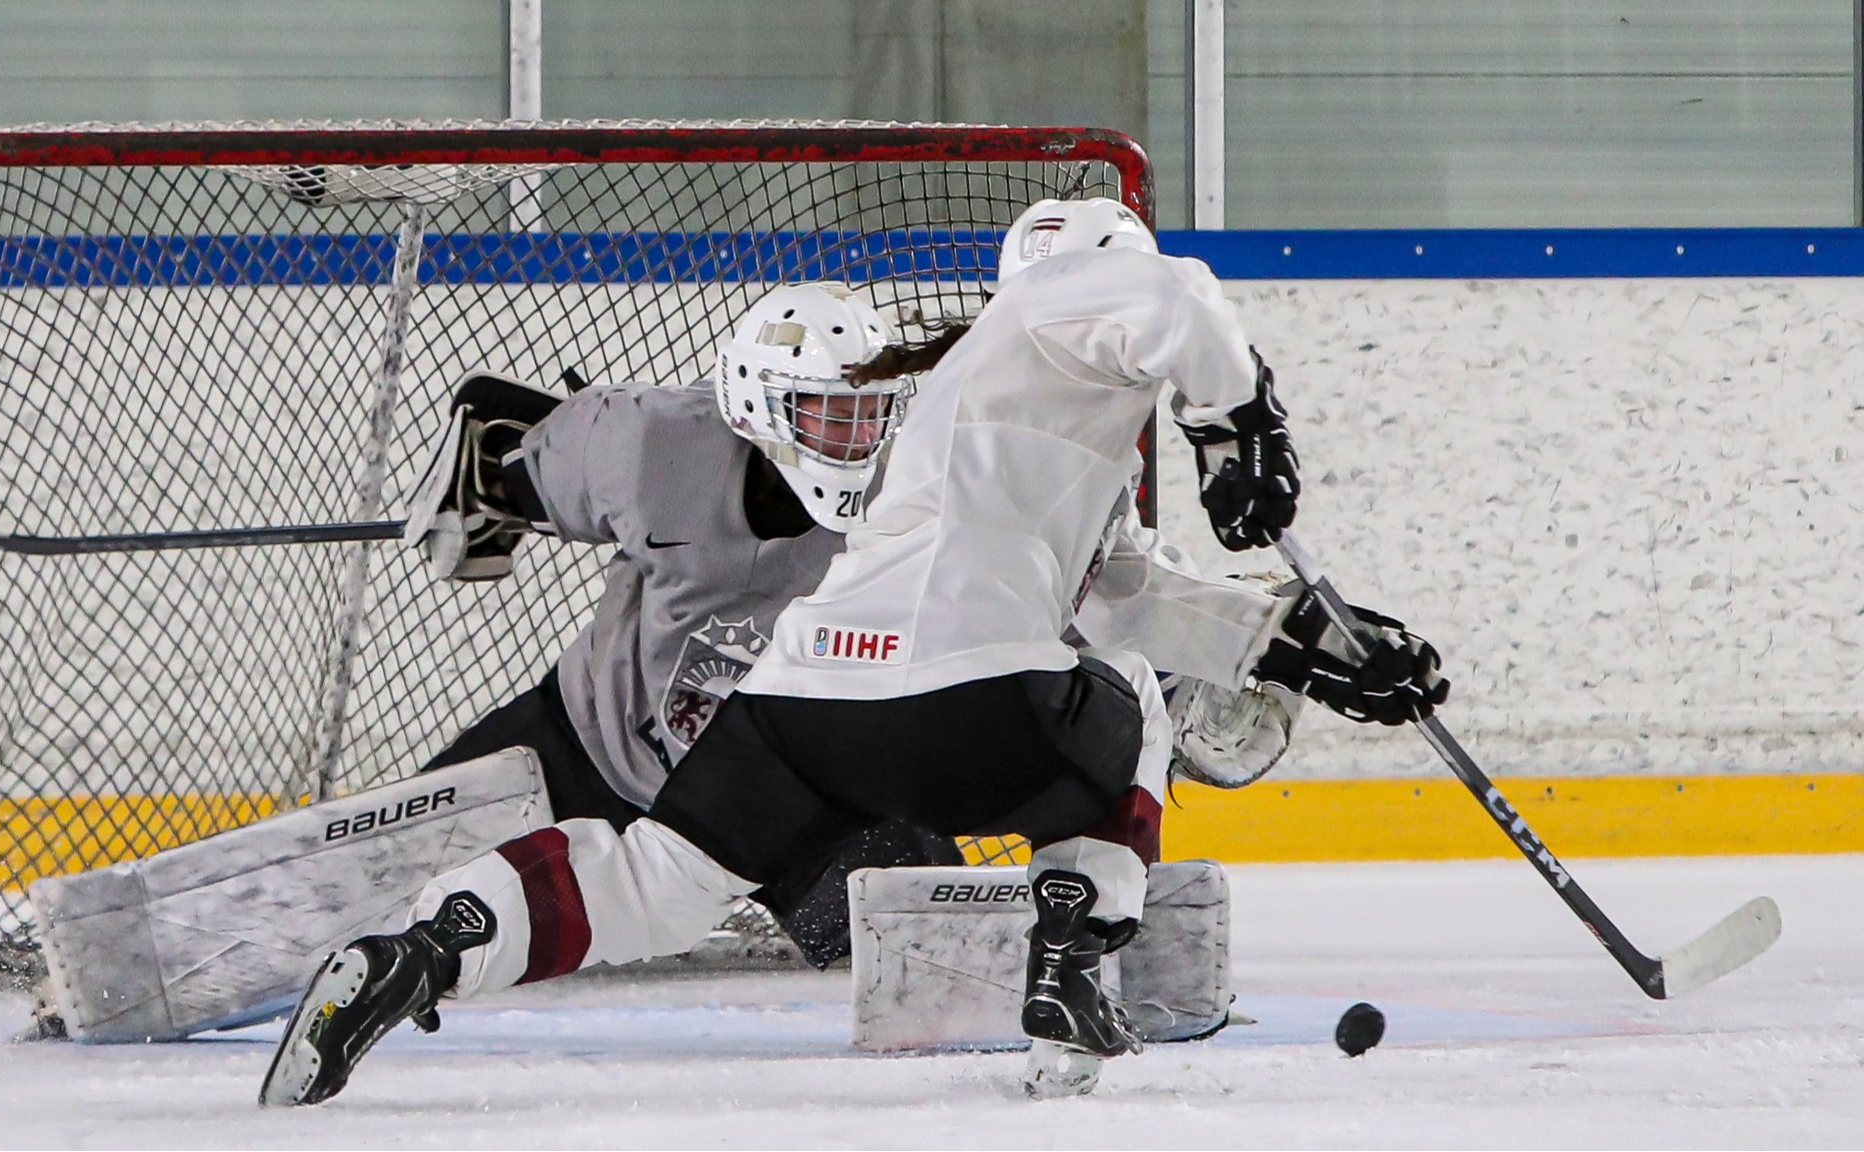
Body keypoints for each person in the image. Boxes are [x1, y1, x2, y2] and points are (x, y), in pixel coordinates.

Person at [260, 198, 1448, 1107]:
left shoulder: (1015, 425)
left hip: (802, 699)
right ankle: (1069, 962)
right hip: (961, 695)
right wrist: (1237, 421)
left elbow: (1123, 585)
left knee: (656, 883)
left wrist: (1296, 647)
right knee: (1126, 708)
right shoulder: (1048, 316)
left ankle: (419, 953)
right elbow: (1177, 297)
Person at [403, 281, 959, 967]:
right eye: (831, 411)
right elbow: (498, 429)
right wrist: (484, 493)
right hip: (590, 744)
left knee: (938, 961)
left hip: (780, 794)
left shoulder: (908, 493)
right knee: (394, 886)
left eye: (870, 412)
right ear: (761, 402)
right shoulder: (652, 442)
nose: (857, 436)